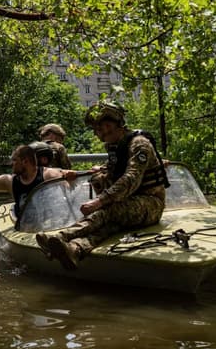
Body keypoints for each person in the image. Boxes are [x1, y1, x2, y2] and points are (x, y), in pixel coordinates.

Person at [35, 100, 167, 270]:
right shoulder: (116, 148)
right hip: (129, 203)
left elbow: (131, 178)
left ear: (112, 124)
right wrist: (99, 176)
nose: (98, 133)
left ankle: (61, 236)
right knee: (109, 226)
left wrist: (99, 201)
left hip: (151, 203)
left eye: (100, 128)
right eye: (96, 129)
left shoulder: (139, 144)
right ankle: (75, 249)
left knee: (107, 211)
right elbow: (111, 174)